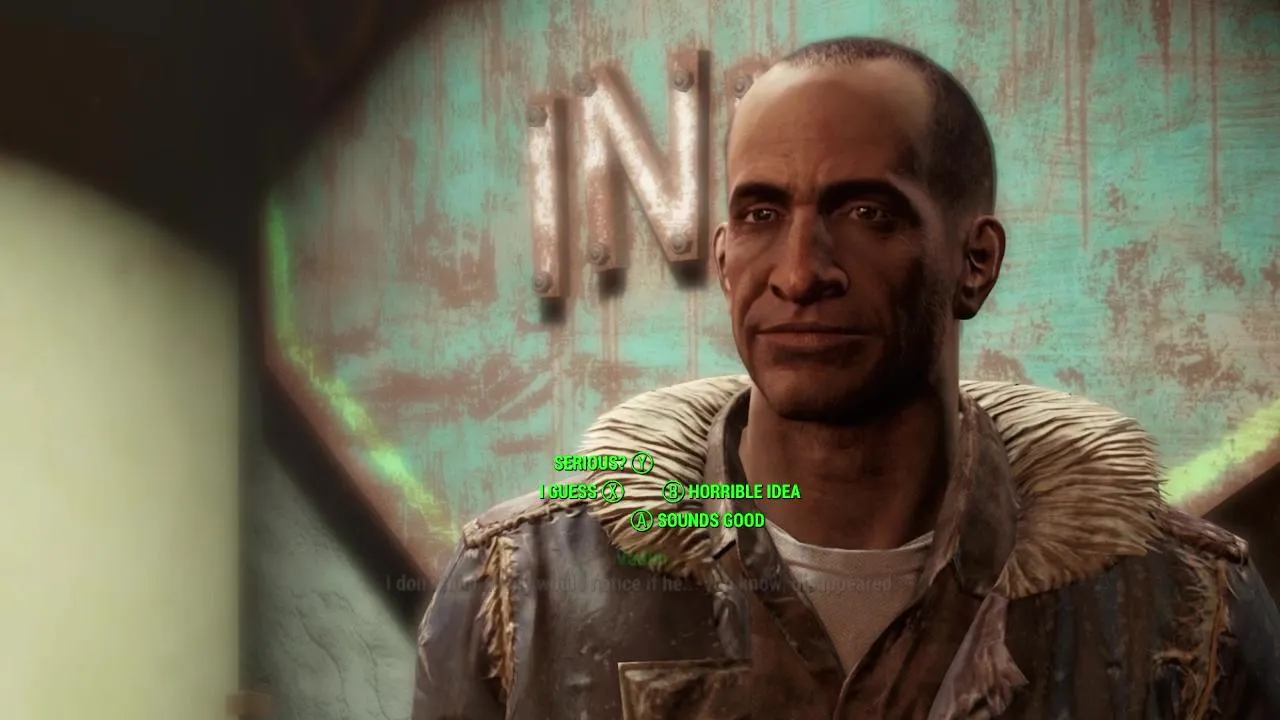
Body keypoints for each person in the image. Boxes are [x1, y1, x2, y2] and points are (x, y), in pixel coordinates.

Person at [412, 37, 1280, 719]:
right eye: (761, 214)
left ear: (975, 262)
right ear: (723, 258)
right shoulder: (519, 592)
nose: (799, 273)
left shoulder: (1187, 610)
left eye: (867, 213)